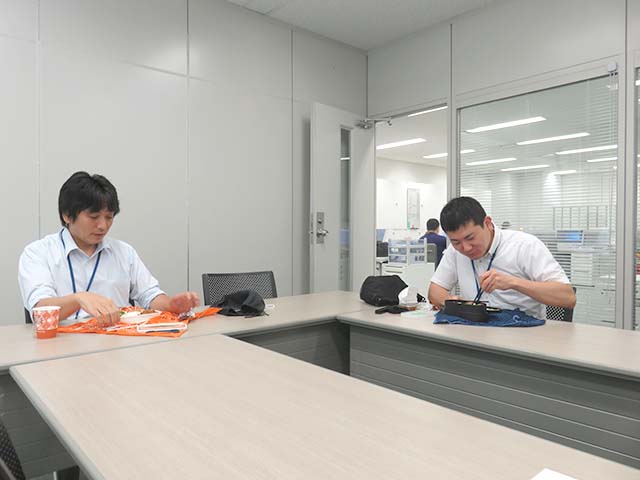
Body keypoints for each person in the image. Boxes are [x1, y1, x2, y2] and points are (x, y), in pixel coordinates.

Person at [19, 171, 200, 326]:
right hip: (61, 345)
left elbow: (150, 295)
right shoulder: (38, 253)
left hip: (117, 343)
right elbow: (40, 311)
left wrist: (170, 305)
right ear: (67, 215)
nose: (103, 226)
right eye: (94, 217)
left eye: (109, 217)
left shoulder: (124, 252)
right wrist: (78, 299)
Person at [428, 197, 576, 319]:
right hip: (475, 333)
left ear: (487, 223)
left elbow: (567, 297)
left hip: (523, 335)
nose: (465, 248)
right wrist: (452, 302)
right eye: (456, 242)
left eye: (470, 238)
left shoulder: (524, 245)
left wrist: (513, 282)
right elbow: (435, 290)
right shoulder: (455, 252)